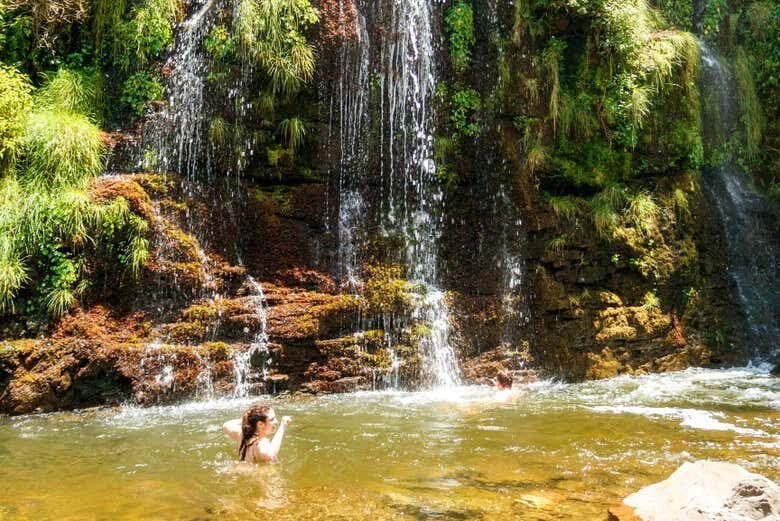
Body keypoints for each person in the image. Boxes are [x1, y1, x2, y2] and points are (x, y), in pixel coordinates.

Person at [223, 403, 292, 463]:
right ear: (260, 424)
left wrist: (249, 420)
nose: (276, 422)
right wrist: (283, 425)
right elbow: (271, 455)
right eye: (272, 419)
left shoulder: (241, 434)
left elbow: (226, 425)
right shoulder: (261, 443)